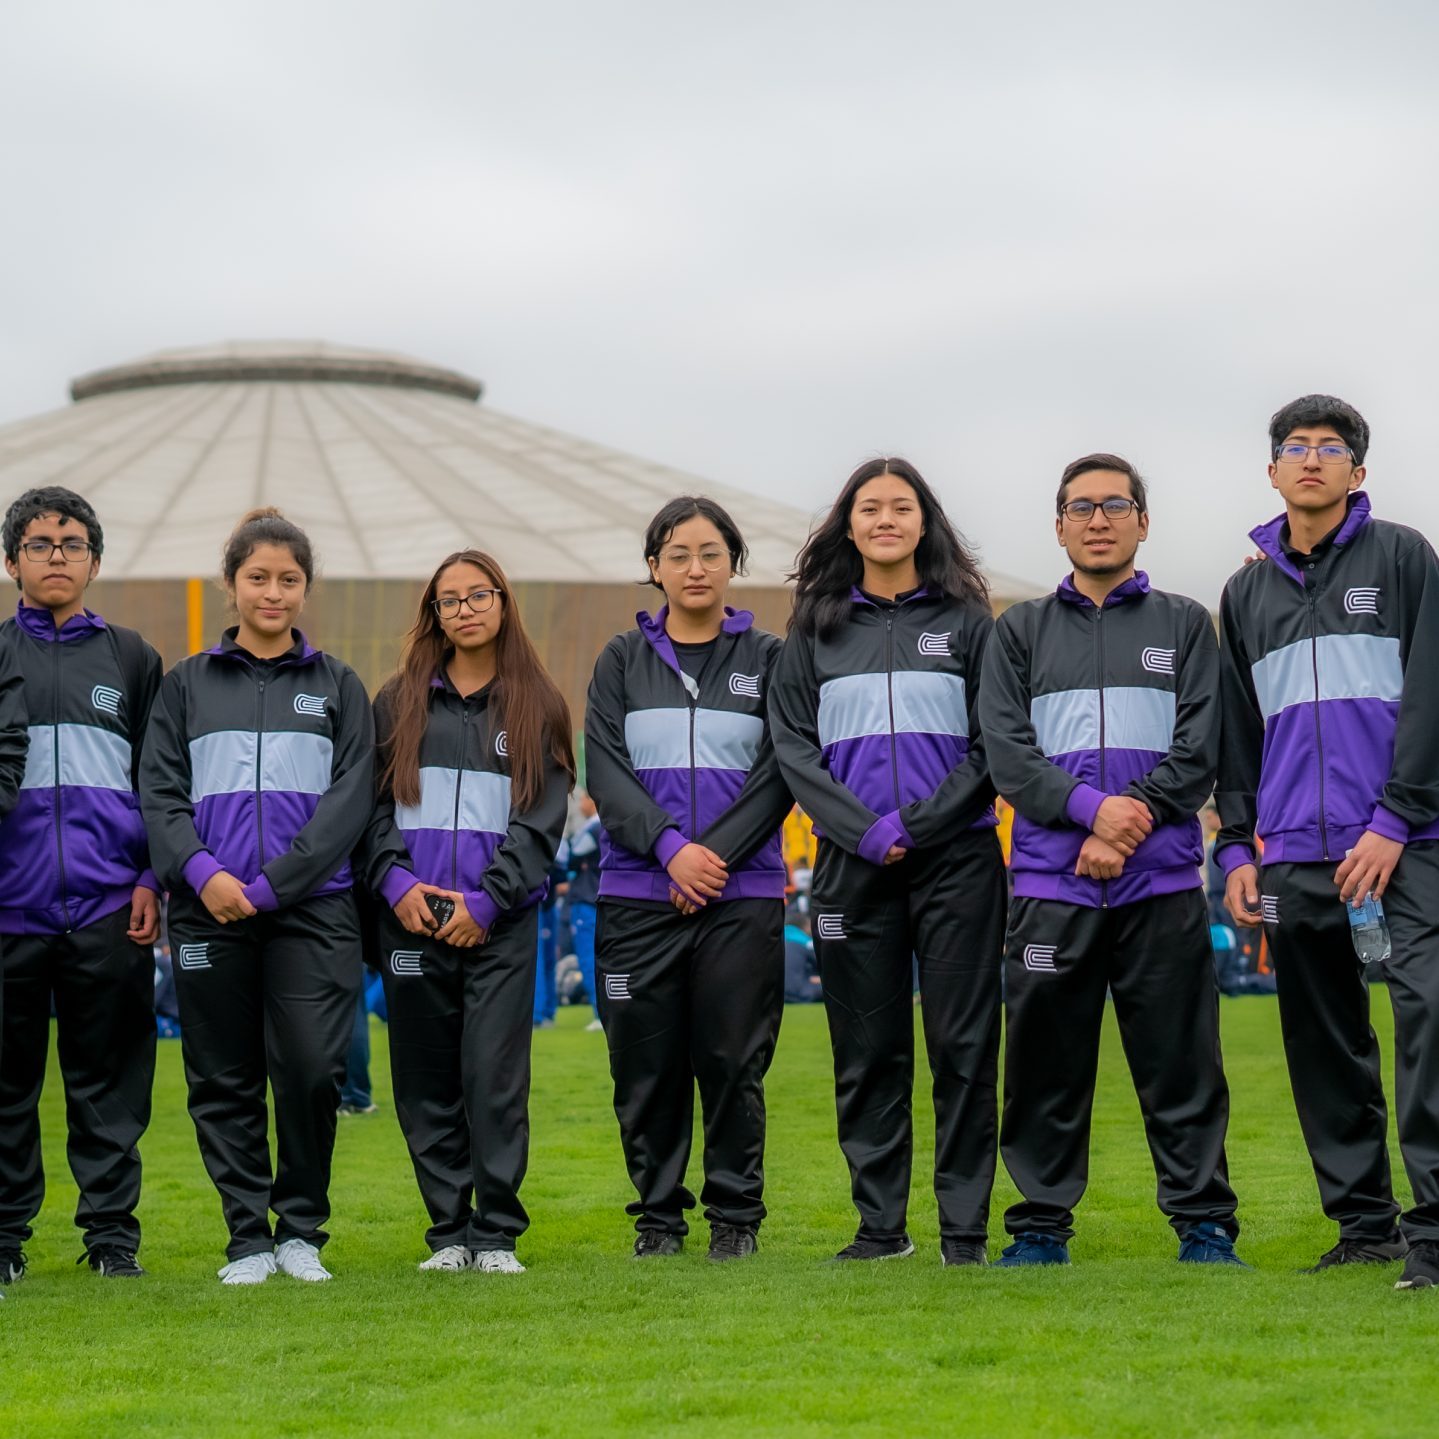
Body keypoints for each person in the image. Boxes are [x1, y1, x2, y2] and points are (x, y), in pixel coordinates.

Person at [980, 453, 1242, 1267]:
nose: (1098, 520)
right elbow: (1007, 755)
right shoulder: (1018, 631)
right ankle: (1039, 1228)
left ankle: (1204, 1226)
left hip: (1158, 883)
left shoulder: (1184, 622)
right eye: (1081, 507)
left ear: (1142, 521)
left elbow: (1198, 749)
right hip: (1050, 887)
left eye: (1115, 505)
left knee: (1181, 1063)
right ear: (1058, 525)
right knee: (1042, 1065)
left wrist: (1123, 825)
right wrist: (1091, 812)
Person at [1216, 395, 1439, 1289]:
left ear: (1357, 470)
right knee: (1322, 1042)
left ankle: (1433, 1234)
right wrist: (1236, 848)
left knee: (1426, 1022)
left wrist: (1393, 819)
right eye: (1294, 446)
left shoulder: (1403, 557)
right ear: (1271, 469)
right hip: (1293, 858)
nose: (1311, 458)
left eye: (1330, 447)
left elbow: (1428, 696)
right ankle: (1364, 1227)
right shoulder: (1244, 592)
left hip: (1406, 843)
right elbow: (1238, 733)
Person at [768, 457, 1005, 1266]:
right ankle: (880, 1228)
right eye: (869, 508)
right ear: (849, 524)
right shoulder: (814, 627)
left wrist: (923, 823)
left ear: (923, 521)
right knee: (867, 1052)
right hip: (851, 862)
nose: (884, 520)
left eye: (900, 507)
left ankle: (964, 1233)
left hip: (958, 861)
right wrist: (864, 830)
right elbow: (794, 748)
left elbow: (993, 742)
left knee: (962, 1049)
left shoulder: (969, 621)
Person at [140, 509, 375, 1286]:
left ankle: (300, 1229)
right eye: (258, 577)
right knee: (222, 1076)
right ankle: (246, 1236)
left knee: (310, 1067)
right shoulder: (185, 684)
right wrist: (203, 873)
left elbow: (350, 801)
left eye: (289, 579)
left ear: (306, 587)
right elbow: (160, 793)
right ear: (230, 583)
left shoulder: (338, 685)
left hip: (313, 909)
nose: (273, 592)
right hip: (208, 909)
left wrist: (275, 884)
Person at [585, 496, 791, 1262]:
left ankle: (735, 1218)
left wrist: (712, 859)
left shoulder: (770, 659)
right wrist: (671, 850)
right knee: (645, 1065)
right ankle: (658, 1220)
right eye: (678, 554)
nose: (694, 567)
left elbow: (780, 771)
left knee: (733, 1061)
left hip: (741, 897)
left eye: (710, 553)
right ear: (653, 567)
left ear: (732, 564)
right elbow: (605, 770)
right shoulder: (619, 660)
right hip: (638, 894)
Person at [364, 548, 572, 1275]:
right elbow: (370, 809)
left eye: (478, 595)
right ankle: (449, 1232)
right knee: (425, 1082)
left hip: (498, 923)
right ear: (435, 613)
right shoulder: (396, 701)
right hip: (410, 919)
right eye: (449, 599)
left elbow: (541, 822)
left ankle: (496, 1233)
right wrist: (397, 885)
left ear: (502, 602)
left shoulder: (538, 704)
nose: (464, 609)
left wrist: (486, 900)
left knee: (492, 1078)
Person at [0, 487, 160, 1284]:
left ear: (95, 561)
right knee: (6, 1088)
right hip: (10, 910)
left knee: (110, 1084)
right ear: (12, 562)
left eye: (71, 543)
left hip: (109, 908)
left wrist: (151, 876)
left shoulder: (132, 658)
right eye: (39, 543)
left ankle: (111, 1238)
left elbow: (160, 781)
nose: (55, 556)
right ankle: (4, 1240)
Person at [565, 791, 604, 1030]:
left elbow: (571, 857)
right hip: (600, 900)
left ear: (592, 800)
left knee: (589, 957)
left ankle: (600, 1014)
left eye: (582, 799)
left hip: (587, 901)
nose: (580, 804)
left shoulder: (592, 828)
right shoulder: (608, 824)